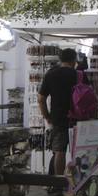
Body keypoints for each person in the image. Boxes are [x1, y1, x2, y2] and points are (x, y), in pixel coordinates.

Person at [37, 48, 79, 181]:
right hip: (79, 118)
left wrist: (47, 116)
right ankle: (78, 182)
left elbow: (41, 99)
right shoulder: (79, 75)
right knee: (79, 151)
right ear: (74, 60)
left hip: (58, 117)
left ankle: (58, 184)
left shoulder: (51, 74)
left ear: (60, 59)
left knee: (59, 151)